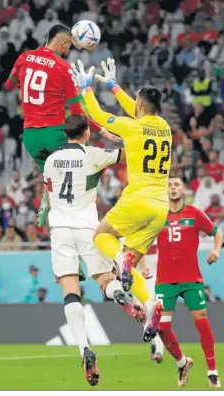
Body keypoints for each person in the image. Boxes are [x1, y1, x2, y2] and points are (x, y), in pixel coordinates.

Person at [71, 58, 170, 342]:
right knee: (131, 263)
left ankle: (120, 258)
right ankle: (151, 304)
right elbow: (136, 109)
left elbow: (99, 116)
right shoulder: (163, 127)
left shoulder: (132, 128)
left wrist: (87, 89)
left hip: (137, 199)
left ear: (139, 107)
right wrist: (115, 88)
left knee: (102, 236)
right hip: (160, 207)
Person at [43, 114, 145, 386]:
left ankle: (84, 349)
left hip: (60, 229)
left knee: (70, 289)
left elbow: (48, 195)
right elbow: (127, 155)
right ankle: (120, 294)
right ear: (86, 132)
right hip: (88, 227)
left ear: (66, 134)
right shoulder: (94, 154)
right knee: (104, 280)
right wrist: (124, 134)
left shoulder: (51, 160)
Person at [4, 24, 117, 227]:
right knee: (85, 167)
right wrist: (101, 130)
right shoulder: (64, 69)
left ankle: (49, 201)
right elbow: (77, 114)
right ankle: (86, 220)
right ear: (64, 43)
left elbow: (8, 85)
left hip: (30, 138)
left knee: (53, 178)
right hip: (55, 134)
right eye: (69, 47)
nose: (69, 51)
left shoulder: (25, 57)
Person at [154, 177, 223, 388]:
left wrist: (216, 249)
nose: (173, 188)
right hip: (165, 280)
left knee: (201, 320)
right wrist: (141, 264)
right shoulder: (157, 215)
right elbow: (143, 240)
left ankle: (212, 371)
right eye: (169, 185)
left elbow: (216, 232)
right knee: (162, 328)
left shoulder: (194, 213)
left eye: (176, 185)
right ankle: (182, 362)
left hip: (191, 278)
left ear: (183, 189)